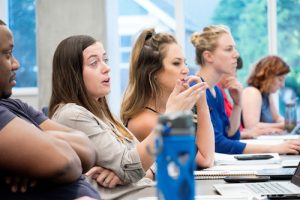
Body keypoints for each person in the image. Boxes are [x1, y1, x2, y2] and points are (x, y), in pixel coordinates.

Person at [48, 34, 205, 189]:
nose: (106, 68)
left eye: (105, 60)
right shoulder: (72, 115)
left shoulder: (103, 114)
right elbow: (130, 167)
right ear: (72, 73)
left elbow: (138, 166)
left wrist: (128, 172)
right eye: (94, 63)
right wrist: (170, 117)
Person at [0, 19, 99, 199]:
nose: (16, 64)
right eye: (7, 54)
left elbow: (89, 150)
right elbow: (65, 164)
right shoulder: (71, 113)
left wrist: (34, 141)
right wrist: (41, 145)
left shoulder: (14, 105)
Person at [191, 24, 300, 154]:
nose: (236, 54)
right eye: (228, 49)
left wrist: (237, 104)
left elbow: (231, 136)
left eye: (234, 49)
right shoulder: (196, 89)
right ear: (208, 56)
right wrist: (273, 148)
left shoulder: (217, 91)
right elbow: (218, 144)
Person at [120, 28, 214, 168]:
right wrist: (202, 106)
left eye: (185, 63)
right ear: (153, 72)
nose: (186, 70)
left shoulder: (169, 110)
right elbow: (205, 160)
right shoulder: (145, 121)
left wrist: (201, 103)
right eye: (176, 63)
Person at [217, 57, 282, 139]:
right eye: (280, 79)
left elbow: (230, 133)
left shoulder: (221, 93)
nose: (236, 75)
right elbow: (225, 135)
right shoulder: (252, 92)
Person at [242, 55, 289, 130]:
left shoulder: (267, 94)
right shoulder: (252, 92)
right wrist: (283, 125)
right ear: (268, 76)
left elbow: (277, 118)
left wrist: (290, 123)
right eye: (280, 79)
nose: (282, 85)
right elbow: (251, 126)